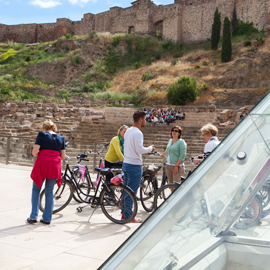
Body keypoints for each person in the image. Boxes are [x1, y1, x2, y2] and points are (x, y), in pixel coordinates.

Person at [27, 120, 66, 225]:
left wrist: (42, 153)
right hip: (54, 167)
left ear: (44, 128)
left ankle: (33, 216)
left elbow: (35, 152)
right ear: (54, 128)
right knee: (49, 192)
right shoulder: (61, 138)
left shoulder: (42, 135)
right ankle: (47, 219)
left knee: (36, 189)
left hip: (42, 165)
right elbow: (62, 156)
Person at [122, 111, 155, 223]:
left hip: (126, 163)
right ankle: (128, 216)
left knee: (125, 190)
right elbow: (140, 150)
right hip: (134, 165)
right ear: (141, 119)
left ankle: (124, 213)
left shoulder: (128, 131)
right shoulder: (138, 133)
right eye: (145, 119)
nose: (145, 121)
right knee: (132, 192)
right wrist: (150, 148)